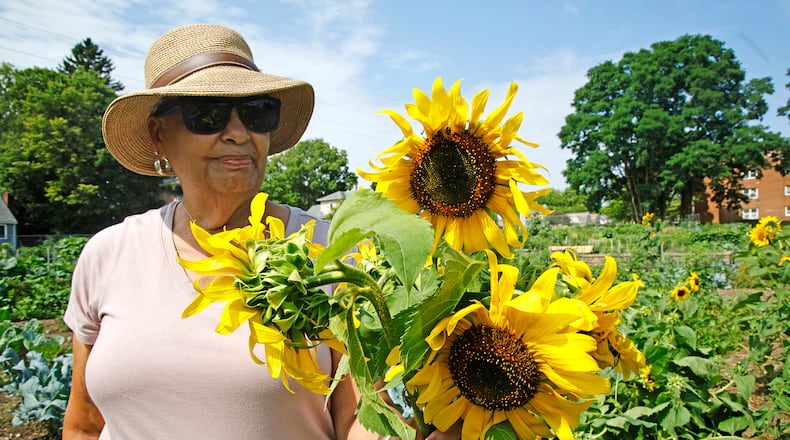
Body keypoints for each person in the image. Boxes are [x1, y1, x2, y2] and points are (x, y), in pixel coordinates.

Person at [62, 23, 371, 440]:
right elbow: (84, 424)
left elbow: (357, 418)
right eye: (207, 113)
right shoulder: (109, 254)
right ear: (158, 134)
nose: (239, 132)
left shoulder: (330, 251)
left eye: (257, 112)